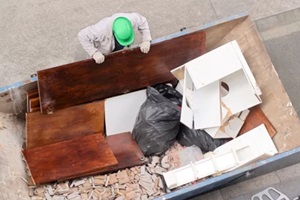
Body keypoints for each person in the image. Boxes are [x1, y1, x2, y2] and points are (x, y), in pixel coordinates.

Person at [78, 12, 152, 64]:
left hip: (115, 40)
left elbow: (143, 21)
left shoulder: (132, 19)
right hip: (103, 45)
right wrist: (94, 53)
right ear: (114, 34)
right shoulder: (100, 30)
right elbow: (82, 35)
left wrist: (146, 40)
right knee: (102, 61)